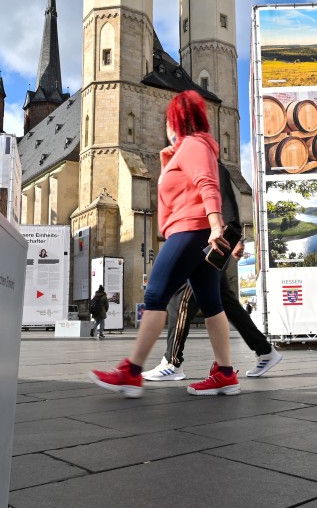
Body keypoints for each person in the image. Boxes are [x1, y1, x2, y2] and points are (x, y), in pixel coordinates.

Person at [89, 90, 238, 398]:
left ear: (176, 121)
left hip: (189, 231)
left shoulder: (193, 145)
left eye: (168, 122)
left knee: (155, 294)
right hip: (195, 231)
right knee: (212, 305)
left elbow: (207, 185)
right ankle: (225, 374)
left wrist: (214, 225)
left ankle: (131, 371)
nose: (166, 129)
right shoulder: (191, 148)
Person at [143, 164, 282, 381]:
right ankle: (265, 351)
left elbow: (226, 206)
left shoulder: (209, 164)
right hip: (207, 242)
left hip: (210, 246)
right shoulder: (195, 162)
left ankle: (172, 362)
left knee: (181, 301)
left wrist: (232, 238)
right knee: (226, 302)